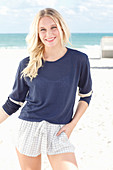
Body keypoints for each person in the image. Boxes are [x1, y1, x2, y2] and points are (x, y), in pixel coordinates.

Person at [0, 8, 92, 170]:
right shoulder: (27, 63)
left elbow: (85, 96)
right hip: (29, 127)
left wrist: (72, 124)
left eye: (53, 27)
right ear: (37, 33)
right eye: (42, 29)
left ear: (62, 28)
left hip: (59, 130)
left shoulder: (79, 60)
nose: (48, 34)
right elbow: (13, 102)